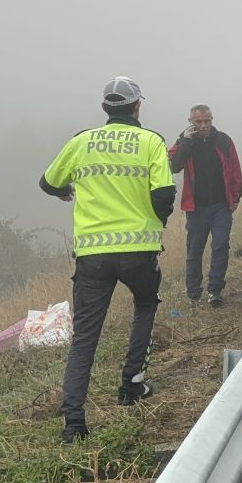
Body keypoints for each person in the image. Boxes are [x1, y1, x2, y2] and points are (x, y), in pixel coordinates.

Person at [39, 76, 175, 444]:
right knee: (146, 304)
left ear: (104, 107)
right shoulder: (151, 142)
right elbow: (164, 194)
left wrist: (68, 190)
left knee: (85, 337)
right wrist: (157, 223)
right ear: (137, 106)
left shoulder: (81, 141)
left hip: (92, 256)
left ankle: (74, 423)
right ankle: (132, 385)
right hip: (139, 251)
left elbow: (48, 182)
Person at [168, 104, 242, 306]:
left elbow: (235, 169)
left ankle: (215, 291)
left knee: (220, 246)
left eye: (207, 121)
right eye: (198, 121)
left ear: (212, 119)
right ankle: (193, 293)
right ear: (190, 122)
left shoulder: (223, 140)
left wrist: (235, 198)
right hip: (196, 208)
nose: (203, 125)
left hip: (221, 205)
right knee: (194, 251)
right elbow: (173, 165)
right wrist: (185, 141)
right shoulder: (184, 142)